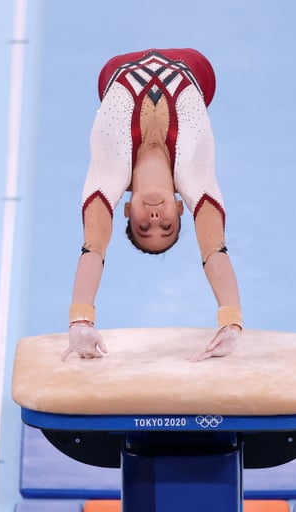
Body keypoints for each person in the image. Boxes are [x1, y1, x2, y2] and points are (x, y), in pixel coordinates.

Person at [62, 48, 244, 362]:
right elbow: (214, 248)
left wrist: (80, 320)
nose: (155, 217)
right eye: (166, 226)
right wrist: (232, 322)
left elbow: (93, 247)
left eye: (144, 226)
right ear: (181, 208)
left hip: (114, 68)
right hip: (197, 67)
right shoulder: (195, 174)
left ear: (127, 210)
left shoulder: (109, 171)